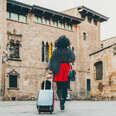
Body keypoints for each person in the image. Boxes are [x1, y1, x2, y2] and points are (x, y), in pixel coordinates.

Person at [48, 35, 75, 111]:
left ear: (58, 43)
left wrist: (50, 69)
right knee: (65, 87)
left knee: (59, 87)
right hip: (66, 68)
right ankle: (63, 99)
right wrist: (69, 61)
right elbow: (73, 58)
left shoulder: (55, 51)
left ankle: (61, 98)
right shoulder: (69, 50)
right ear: (66, 43)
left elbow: (51, 60)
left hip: (58, 69)